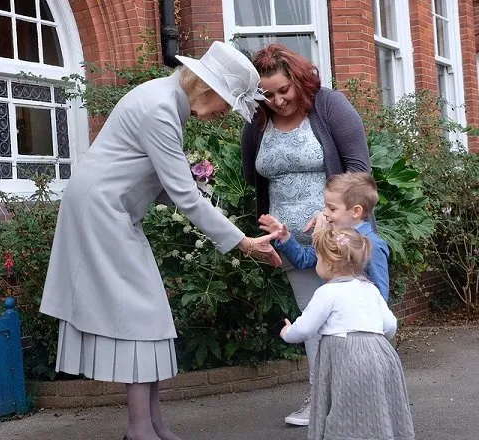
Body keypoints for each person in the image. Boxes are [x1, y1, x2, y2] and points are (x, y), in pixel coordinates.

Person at [39, 41, 282, 440]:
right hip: (102, 213)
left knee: (148, 317)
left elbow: (169, 184)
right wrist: (244, 242)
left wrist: (204, 197)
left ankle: (152, 425)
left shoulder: (167, 100)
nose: (224, 115)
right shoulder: (160, 108)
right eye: (227, 104)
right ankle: (140, 431)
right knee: (140, 318)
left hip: (109, 210)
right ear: (209, 90)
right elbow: (182, 194)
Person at [241, 43, 371, 425]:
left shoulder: (329, 106)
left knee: (349, 319)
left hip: (339, 240)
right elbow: (253, 175)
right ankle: (319, 401)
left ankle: (360, 398)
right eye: (268, 93)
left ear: (298, 79)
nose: (278, 100)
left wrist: (329, 213)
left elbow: (359, 169)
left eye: (285, 89)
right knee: (312, 318)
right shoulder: (257, 120)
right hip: (292, 243)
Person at [279, 228, 414, 440]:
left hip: (345, 357)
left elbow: (305, 328)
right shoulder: (370, 289)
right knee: (376, 406)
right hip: (380, 355)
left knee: (344, 410)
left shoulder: (326, 292)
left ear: (329, 264)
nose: (317, 263)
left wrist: (287, 332)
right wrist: (371, 341)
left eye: (318, 258)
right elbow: (390, 325)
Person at [259, 172, 390, 301]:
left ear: (356, 211)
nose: (325, 213)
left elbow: (381, 296)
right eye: (325, 207)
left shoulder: (373, 245)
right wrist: (285, 237)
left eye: (332, 209)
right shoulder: (330, 236)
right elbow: (304, 260)